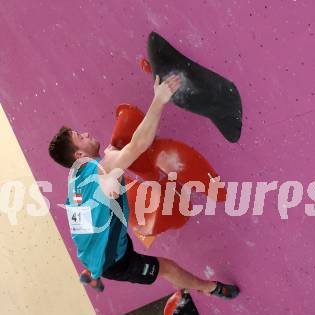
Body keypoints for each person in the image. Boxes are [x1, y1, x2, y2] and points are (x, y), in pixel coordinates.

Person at [48, 74, 239, 299]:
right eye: (80, 136)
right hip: (116, 262)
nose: (86, 133)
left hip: (92, 249)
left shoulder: (76, 177)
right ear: (79, 154)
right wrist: (159, 100)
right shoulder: (99, 171)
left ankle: (91, 269)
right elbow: (139, 144)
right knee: (166, 267)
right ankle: (211, 288)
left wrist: (111, 161)